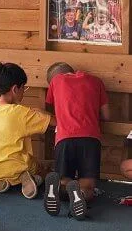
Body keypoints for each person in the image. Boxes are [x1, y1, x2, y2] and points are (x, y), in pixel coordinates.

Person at [0, 62, 55, 199]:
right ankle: (29, 178)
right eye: (23, 89)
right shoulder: (21, 113)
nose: (23, 93)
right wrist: (42, 112)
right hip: (21, 167)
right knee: (44, 170)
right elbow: (53, 123)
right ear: (15, 89)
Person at [44, 62, 110, 220]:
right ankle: (80, 193)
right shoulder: (96, 81)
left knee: (63, 179)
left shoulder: (56, 82)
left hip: (64, 138)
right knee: (88, 187)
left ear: (54, 77)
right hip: (90, 138)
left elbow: (49, 112)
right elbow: (107, 116)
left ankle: (61, 187)